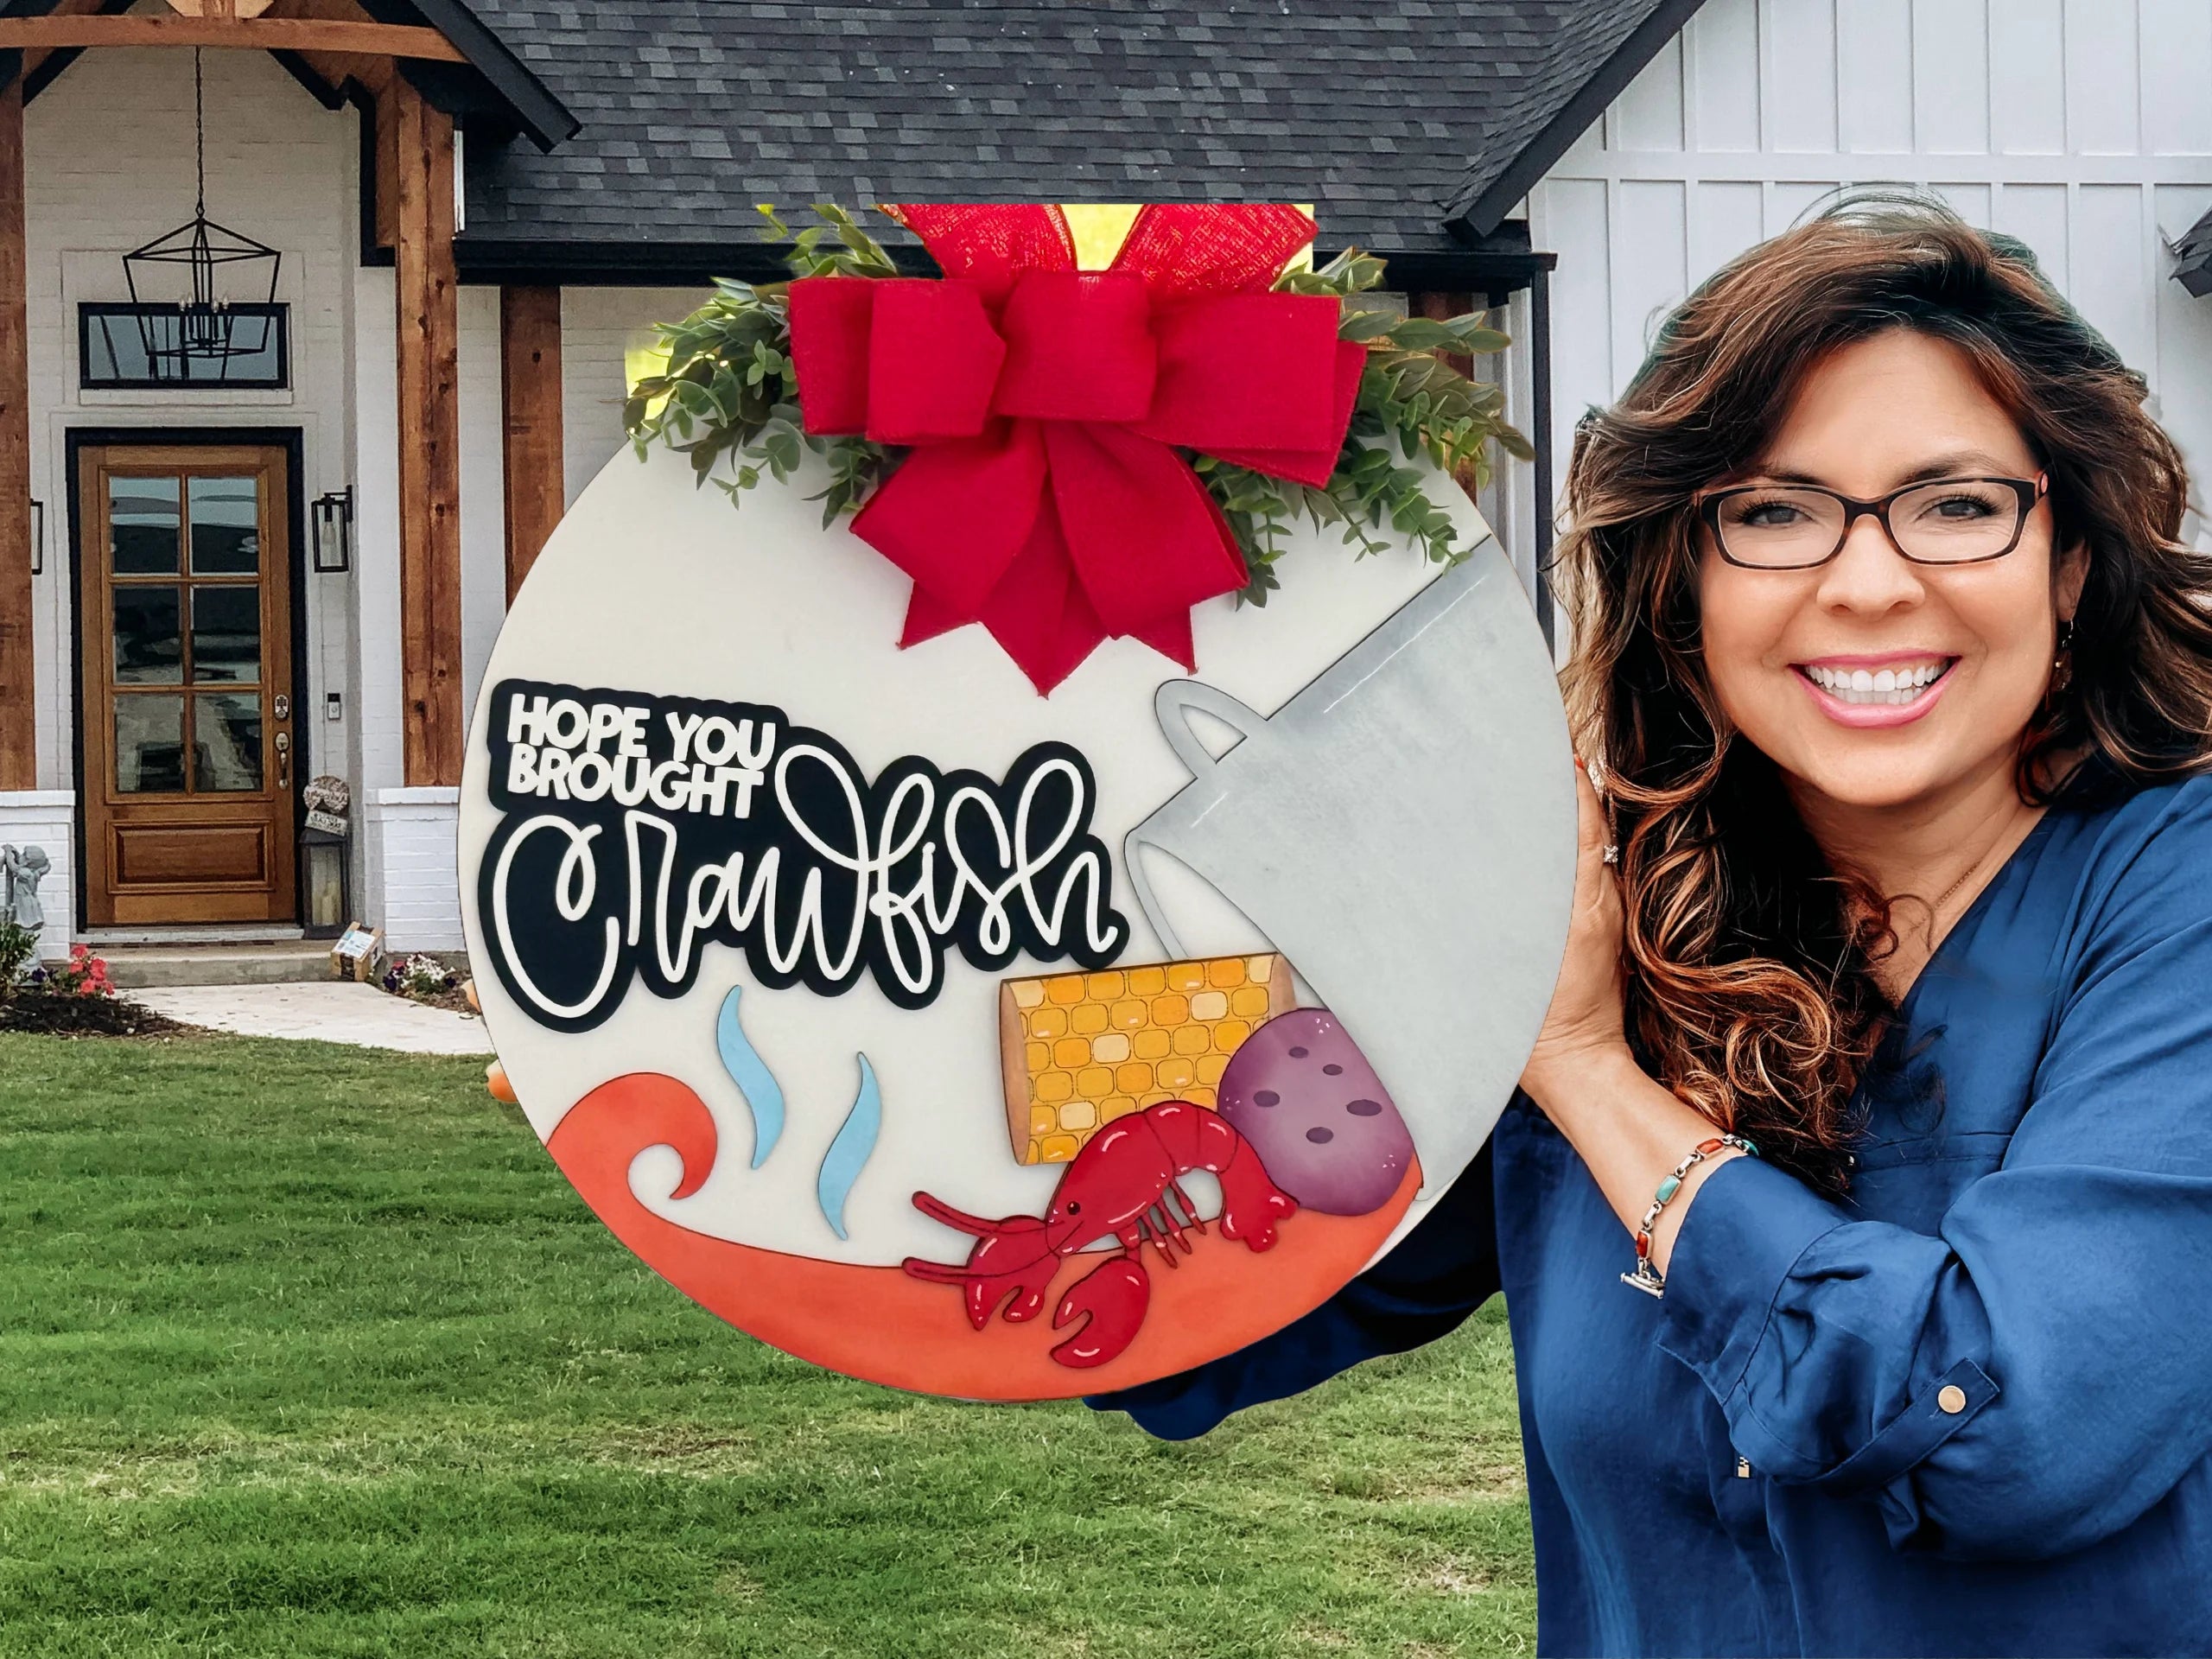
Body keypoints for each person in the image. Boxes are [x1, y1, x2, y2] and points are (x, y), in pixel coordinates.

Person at [1089, 194, 2212, 1656]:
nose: (1868, 582)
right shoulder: (1609, 905)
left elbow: (2003, 1431)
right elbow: (1202, 1308)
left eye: (1956, 504)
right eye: (1774, 512)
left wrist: (1584, 1066)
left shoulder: (2172, 901)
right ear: (1685, 577)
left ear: (2067, 566)